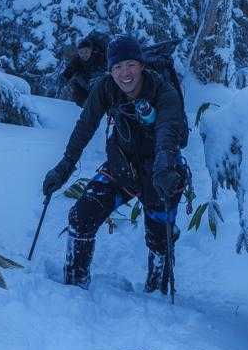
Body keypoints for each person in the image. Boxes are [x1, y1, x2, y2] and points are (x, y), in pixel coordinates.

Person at [42, 34, 188, 294]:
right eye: (117, 67)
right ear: (110, 70)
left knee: (160, 240)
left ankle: (157, 297)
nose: (124, 73)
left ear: (141, 65)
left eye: (130, 64)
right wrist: (64, 166)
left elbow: (168, 131)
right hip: (122, 168)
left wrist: (165, 166)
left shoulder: (164, 92)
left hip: (161, 173)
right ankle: (73, 290)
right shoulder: (106, 88)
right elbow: (85, 126)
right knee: (81, 216)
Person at [59, 30, 108, 107]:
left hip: (98, 81)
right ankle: (84, 105)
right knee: (76, 82)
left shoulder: (99, 57)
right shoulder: (77, 60)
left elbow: (108, 68)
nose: (84, 55)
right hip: (85, 82)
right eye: (81, 53)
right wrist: (64, 78)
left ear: (91, 50)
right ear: (78, 53)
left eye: (86, 52)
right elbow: (69, 70)